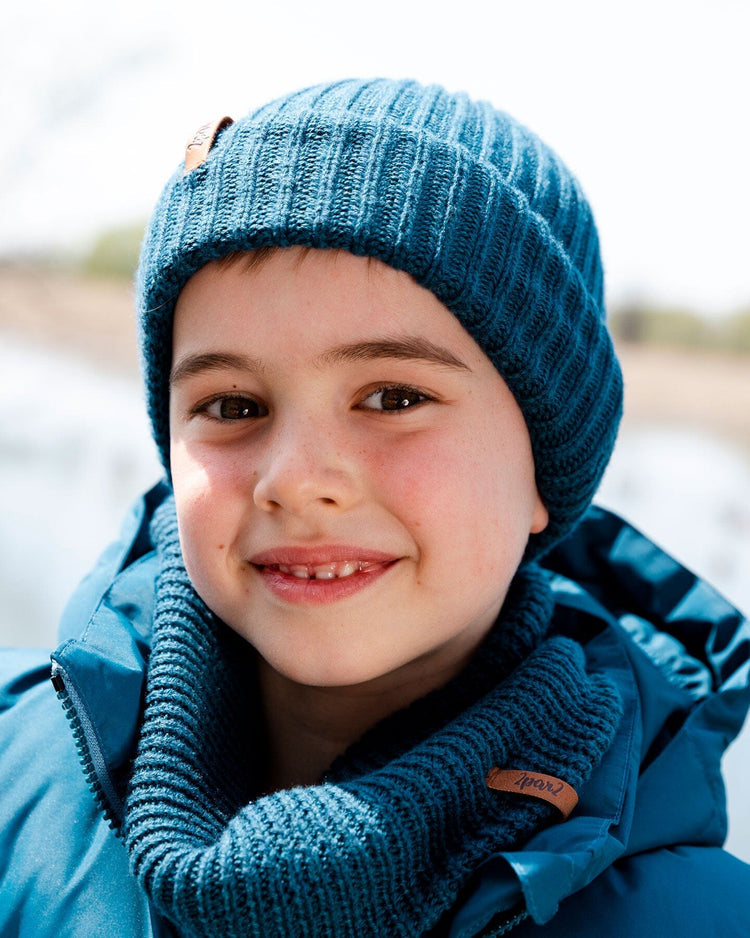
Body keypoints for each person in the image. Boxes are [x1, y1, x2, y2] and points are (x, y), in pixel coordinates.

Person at [1, 78, 749, 937]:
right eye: (233, 406)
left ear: (544, 467)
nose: (295, 478)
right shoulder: (18, 779)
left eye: (393, 398)